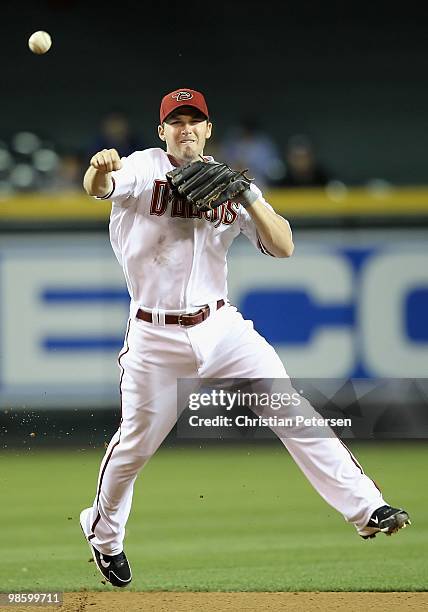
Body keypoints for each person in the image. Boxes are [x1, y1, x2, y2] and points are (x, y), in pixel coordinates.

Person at [79, 88, 410, 588]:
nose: (185, 128)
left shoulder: (227, 182)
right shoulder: (143, 168)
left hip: (221, 328)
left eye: (195, 120)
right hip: (154, 336)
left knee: (290, 407)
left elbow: (284, 246)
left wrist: (250, 196)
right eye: (176, 121)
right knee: (134, 448)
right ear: (161, 131)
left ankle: (368, 508)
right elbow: (98, 185)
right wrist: (101, 167)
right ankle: (103, 533)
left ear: (208, 130)